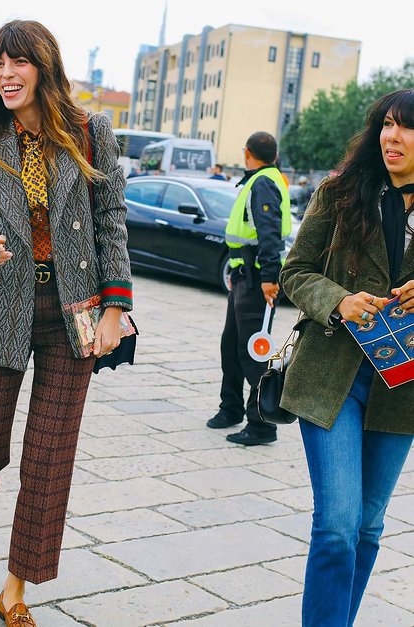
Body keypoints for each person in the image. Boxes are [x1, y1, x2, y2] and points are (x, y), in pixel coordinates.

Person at [0, 20, 132, 626]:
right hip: (0, 306)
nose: (5, 73)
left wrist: (115, 306)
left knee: (49, 459)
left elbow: (111, 220)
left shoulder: (88, 131)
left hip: (71, 312)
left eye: (18, 62)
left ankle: (15, 589)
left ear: (44, 67)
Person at [280, 88, 414, 627]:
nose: (393, 137)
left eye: (407, 127)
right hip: (332, 378)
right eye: (387, 124)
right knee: (337, 524)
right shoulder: (340, 194)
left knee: (367, 527)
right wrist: (338, 300)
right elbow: (295, 272)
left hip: (400, 388)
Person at [206, 131, 291, 446]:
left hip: (257, 280)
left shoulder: (265, 183)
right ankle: (230, 409)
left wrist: (270, 277)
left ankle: (262, 424)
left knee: (252, 352)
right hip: (243, 276)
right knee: (231, 345)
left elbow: (269, 234)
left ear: (247, 152)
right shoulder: (260, 179)